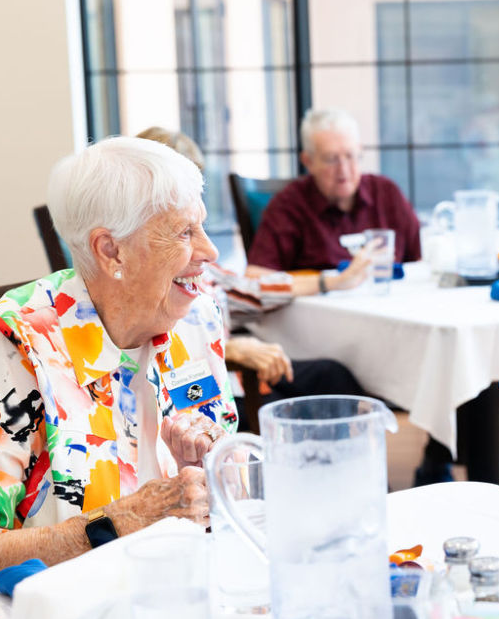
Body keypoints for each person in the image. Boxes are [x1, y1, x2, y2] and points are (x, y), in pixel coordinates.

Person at [0, 137, 236, 593]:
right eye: (185, 233)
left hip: (172, 596)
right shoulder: (15, 342)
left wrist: (210, 470)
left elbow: (227, 486)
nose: (210, 251)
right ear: (111, 251)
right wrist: (122, 520)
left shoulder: (196, 317)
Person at [134, 127, 366, 416]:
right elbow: (147, 345)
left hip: (235, 376)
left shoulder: (201, 262)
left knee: (333, 378)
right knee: (297, 416)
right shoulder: (140, 267)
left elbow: (250, 291)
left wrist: (333, 281)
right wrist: (230, 350)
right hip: (194, 390)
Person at [247, 108, 421, 274]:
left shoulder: (386, 193)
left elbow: (422, 261)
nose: (343, 170)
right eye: (331, 159)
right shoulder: (288, 205)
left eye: (350, 156)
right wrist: (327, 282)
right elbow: (255, 276)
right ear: (308, 161)